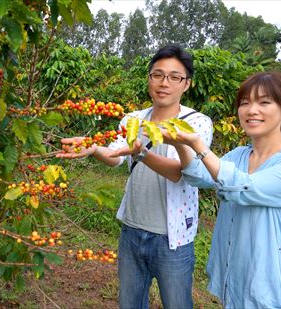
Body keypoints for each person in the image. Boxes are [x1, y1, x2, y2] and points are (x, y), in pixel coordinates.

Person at [57, 44, 213, 309]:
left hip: (172, 239)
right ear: (149, 78)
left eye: (174, 77)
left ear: (186, 84)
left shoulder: (196, 124)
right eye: (157, 74)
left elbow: (180, 172)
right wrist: (94, 147)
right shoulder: (133, 119)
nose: (164, 83)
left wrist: (141, 154)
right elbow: (116, 156)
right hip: (132, 230)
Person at [160, 71, 281, 308]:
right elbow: (199, 176)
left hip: (268, 290)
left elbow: (242, 187)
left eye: (264, 102)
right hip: (233, 281)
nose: (251, 110)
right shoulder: (239, 155)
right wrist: (182, 145)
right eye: (245, 103)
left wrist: (197, 144)